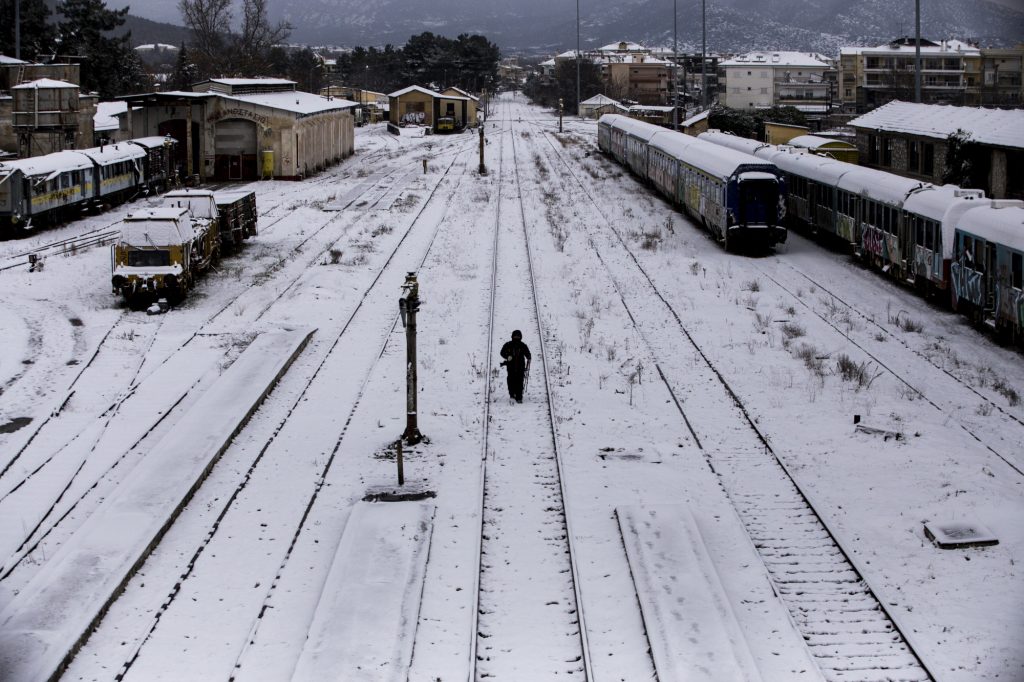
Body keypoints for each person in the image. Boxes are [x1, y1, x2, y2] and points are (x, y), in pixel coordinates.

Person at [499, 330, 531, 403]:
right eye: (515, 336)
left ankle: (519, 396)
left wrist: (529, 357)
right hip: (511, 366)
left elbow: (528, 354)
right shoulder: (508, 344)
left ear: (520, 337)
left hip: (520, 367)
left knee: (520, 381)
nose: (516, 337)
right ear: (512, 336)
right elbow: (502, 352)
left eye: (518, 336)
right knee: (511, 380)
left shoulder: (523, 345)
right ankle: (512, 395)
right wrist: (507, 356)